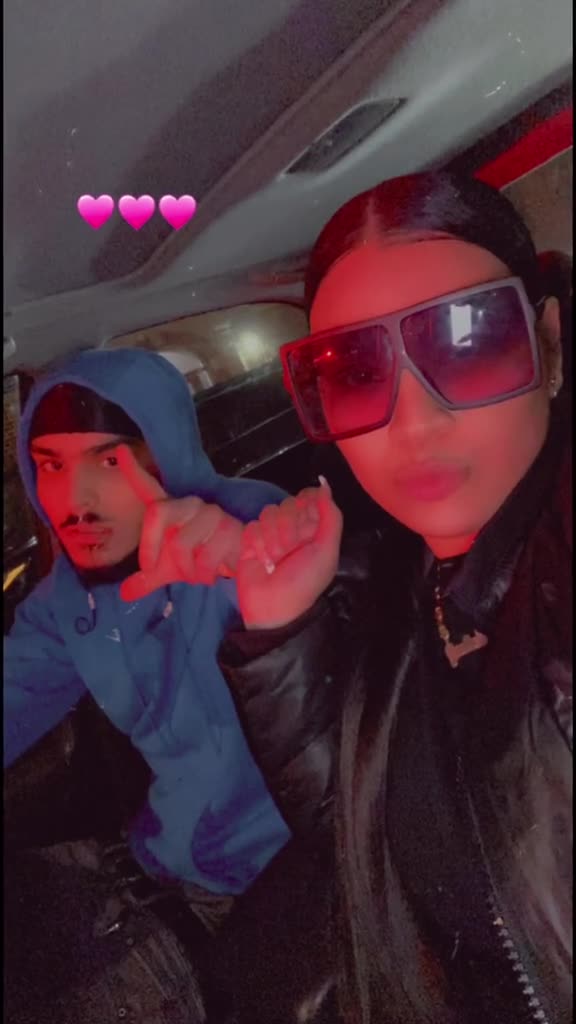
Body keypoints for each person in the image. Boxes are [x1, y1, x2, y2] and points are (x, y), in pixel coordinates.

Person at [215, 173, 572, 1024]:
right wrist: (280, 628)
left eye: (468, 339)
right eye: (352, 369)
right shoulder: (413, 589)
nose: (413, 422)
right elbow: (381, 842)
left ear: (550, 347)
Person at [4, 346, 291, 1021]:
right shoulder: (69, 597)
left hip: (265, 883)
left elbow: (348, 633)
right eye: (50, 465)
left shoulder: (249, 533)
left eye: (108, 462)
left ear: (166, 452)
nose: (73, 501)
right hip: (150, 859)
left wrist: (262, 580)